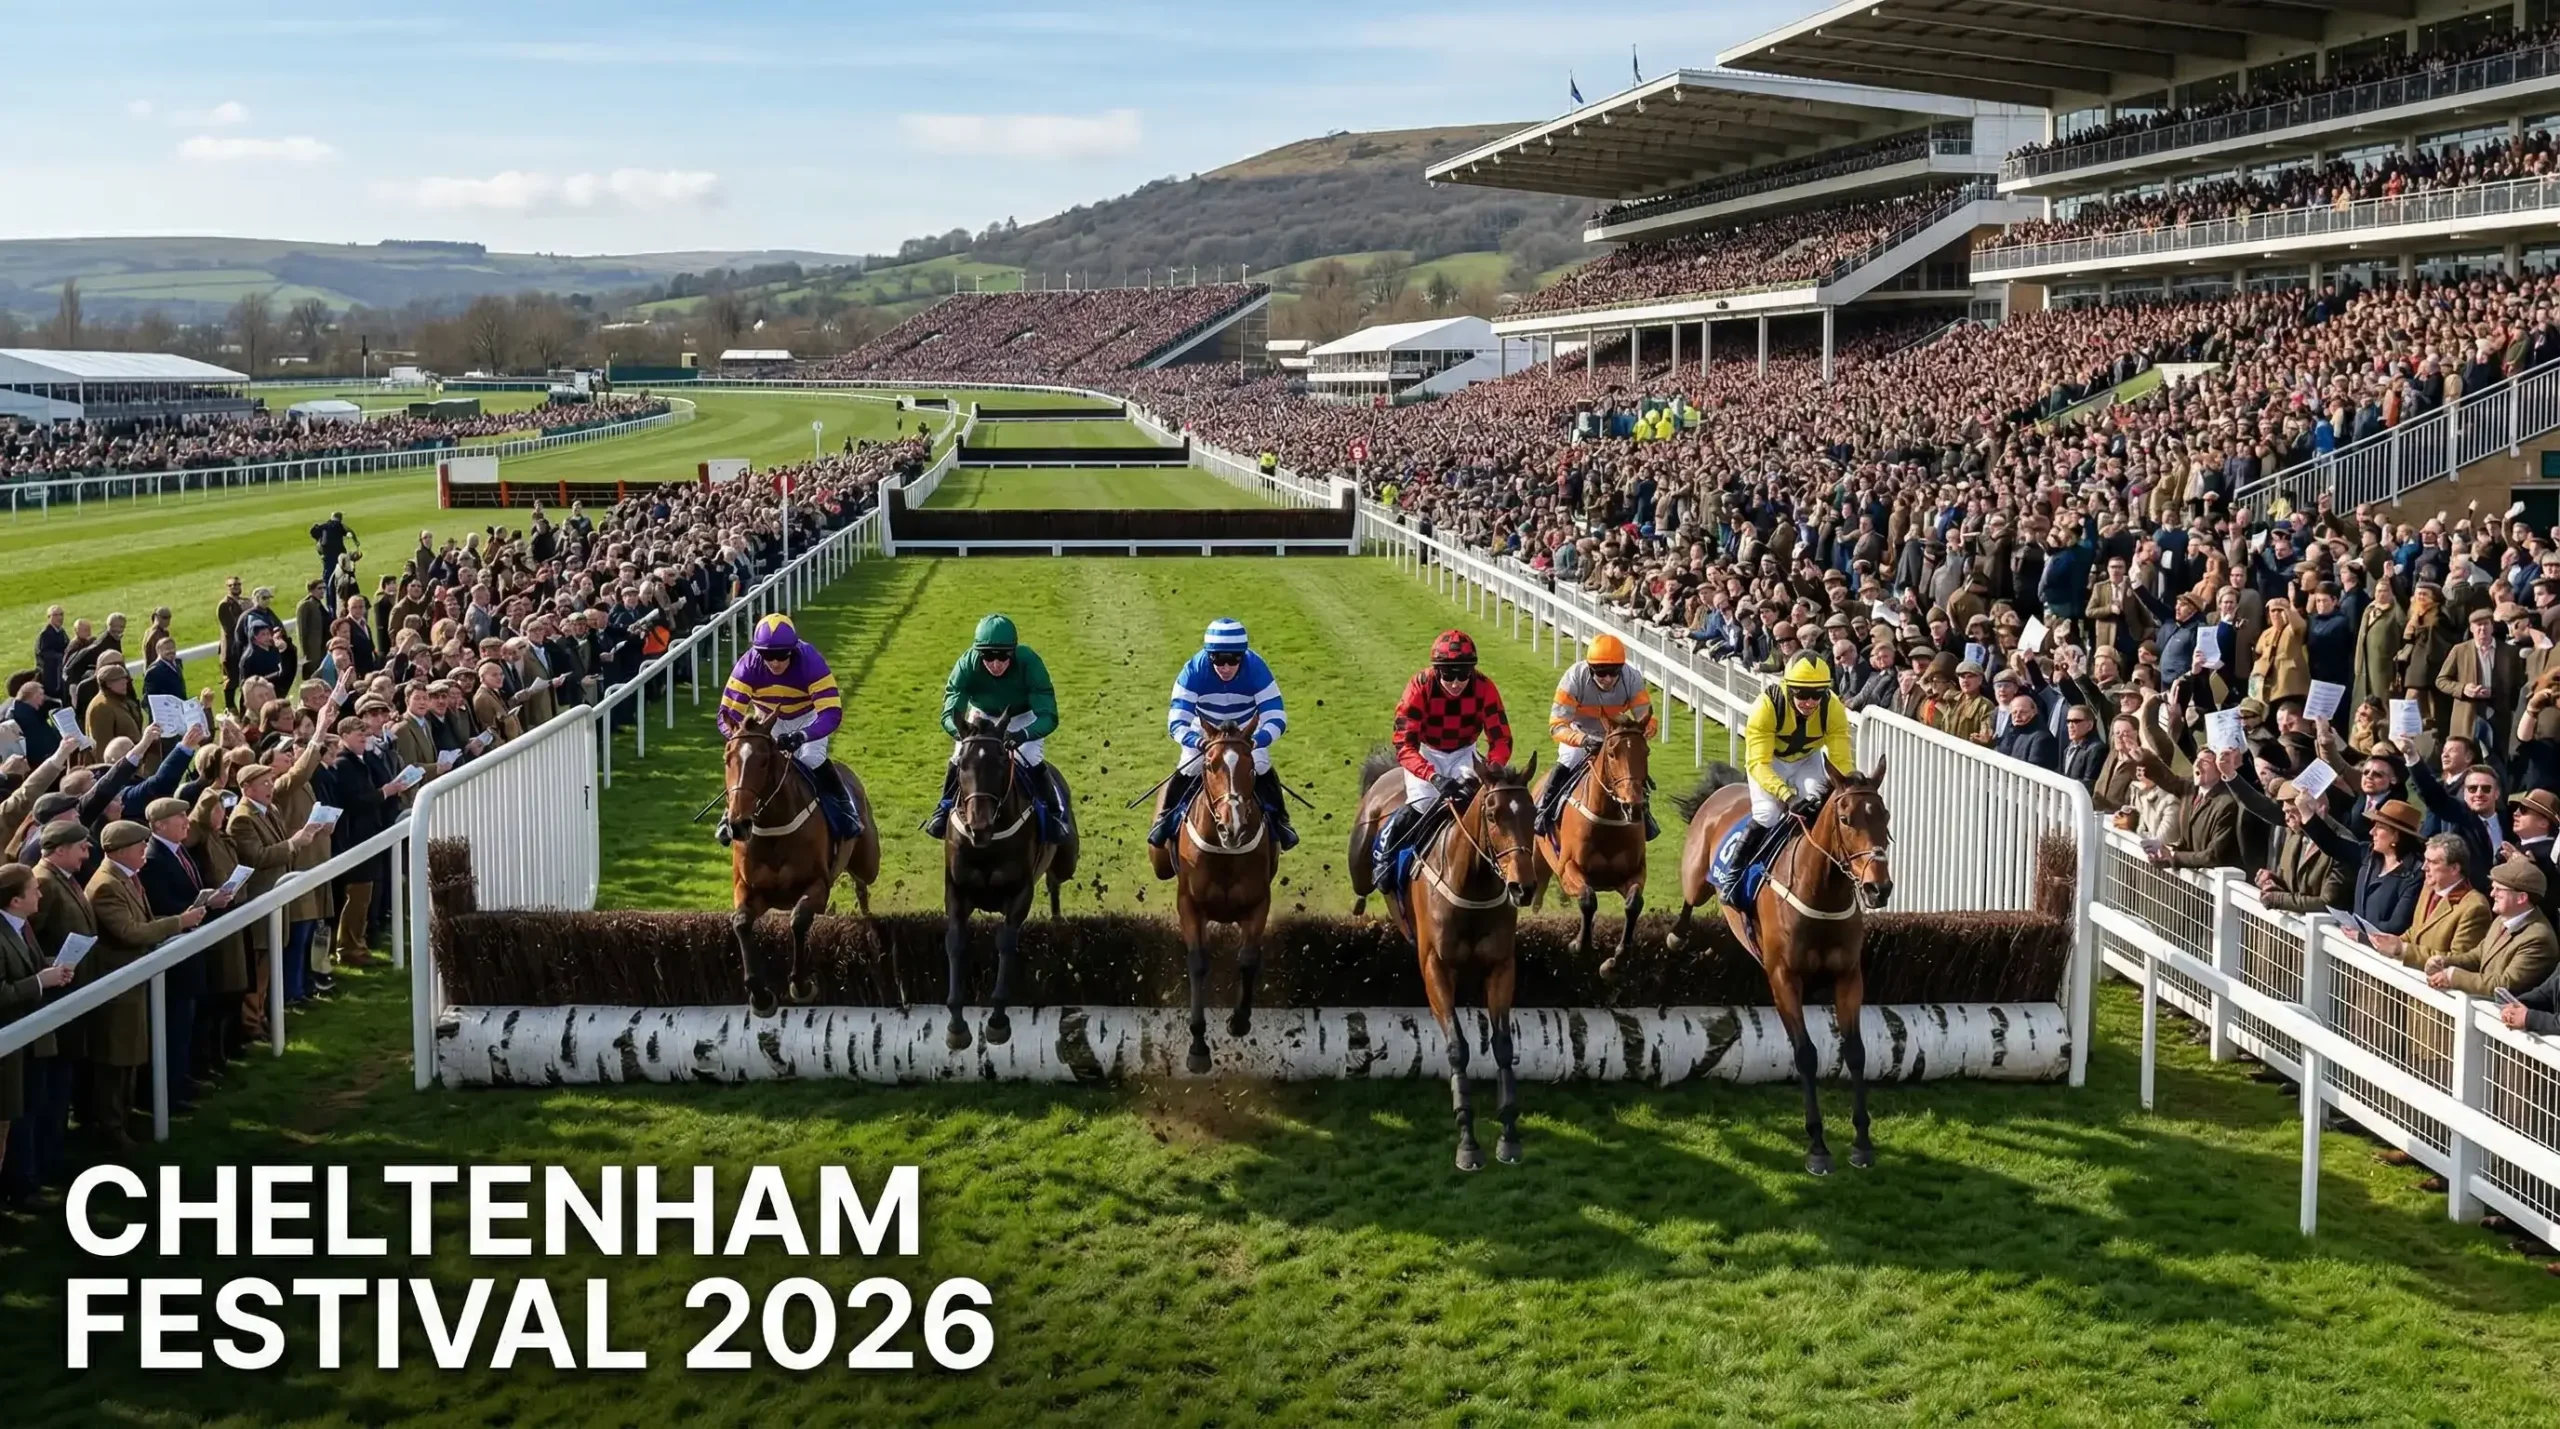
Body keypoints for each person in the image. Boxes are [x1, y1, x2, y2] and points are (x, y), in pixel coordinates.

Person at [1717, 651, 1854, 915]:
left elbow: (1841, 761)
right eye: (1802, 693)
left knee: (1817, 803)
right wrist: (1787, 796)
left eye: (1817, 694)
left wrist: (1847, 787)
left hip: (1807, 759)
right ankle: (1733, 874)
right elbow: (1758, 763)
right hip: (1769, 761)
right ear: (1788, 687)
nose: (1810, 702)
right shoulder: (1766, 706)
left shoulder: (1833, 707)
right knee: (1768, 814)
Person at [1371, 630, 1513, 875]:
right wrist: (1433, 776)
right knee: (1423, 802)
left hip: (1464, 753)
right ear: (1437, 671)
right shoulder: (1419, 686)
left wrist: (1492, 768)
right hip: (1427, 753)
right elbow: (1404, 745)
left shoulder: (1484, 687)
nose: (1456, 683)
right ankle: (1384, 857)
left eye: (1462, 675)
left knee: (1482, 804)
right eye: (1448, 675)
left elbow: (1500, 739)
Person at [1149, 617, 1294, 853]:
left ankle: (1281, 822)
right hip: (1204, 731)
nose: (1225, 667)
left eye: (1233, 659)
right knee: (1189, 766)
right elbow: (1177, 720)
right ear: (1209, 656)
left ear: (1243, 656)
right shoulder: (1193, 670)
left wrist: (1256, 741)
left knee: (1261, 764)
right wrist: (1199, 742)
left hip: (1245, 732)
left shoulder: (1256, 668)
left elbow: (1276, 715)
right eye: (1218, 659)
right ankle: (1165, 819)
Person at [715, 614, 857, 844]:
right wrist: (742, 738)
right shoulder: (747, 666)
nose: (775, 662)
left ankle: (844, 807)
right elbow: (727, 715)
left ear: (793, 649)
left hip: (808, 717)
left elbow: (831, 713)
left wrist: (803, 735)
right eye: (767, 656)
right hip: (768, 718)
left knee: (811, 757)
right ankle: (729, 814)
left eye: (782, 655)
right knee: (748, 761)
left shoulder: (811, 662)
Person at [926, 614, 1065, 840]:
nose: (996, 664)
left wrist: (1023, 734)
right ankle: (943, 809)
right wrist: (965, 734)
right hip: (981, 716)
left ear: (1013, 651)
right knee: (960, 755)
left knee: (1030, 756)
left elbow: (1048, 715)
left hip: (1022, 715)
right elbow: (951, 711)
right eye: (988, 656)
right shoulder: (966, 665)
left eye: (1002, 656)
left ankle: (1053, 813)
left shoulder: (1030, 663)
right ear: (978, 654)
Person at [1536, 633, 1658, 839]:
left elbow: (1647, 718)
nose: (1608, 679)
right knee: (1570, 758)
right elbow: (1557, 725)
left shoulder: (1632, 678)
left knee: (1632, 763)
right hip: (1579, 732)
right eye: (1601, 673)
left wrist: (1643, 731)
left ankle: (1644, 814)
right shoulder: (1574, 678)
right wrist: (1582, 740)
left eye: (1613, 672)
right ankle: (1545, 811)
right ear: (1590, 668)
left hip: (1615, 734)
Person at [2426, 858, 2560, 997]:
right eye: (2492, 887)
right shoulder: (2502, 920)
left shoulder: (2538, 938)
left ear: (2521, 898)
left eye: (2499, 890)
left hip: (2503, 1015)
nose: (2492, 894)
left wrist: (2454, 977)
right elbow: (2477, 956)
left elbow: (2506, 985)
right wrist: (2444, 962)